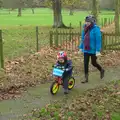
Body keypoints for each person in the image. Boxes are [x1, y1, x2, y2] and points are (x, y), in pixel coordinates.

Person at [79, 15, 105, 83]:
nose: (87, 23)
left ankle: (101, 69)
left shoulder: (96, 29)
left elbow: (98, 40)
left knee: (93, 63)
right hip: (86, 49)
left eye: (89, 22)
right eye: (86, 21)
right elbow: (83, 39)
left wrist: (97, 51)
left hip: (93, 50)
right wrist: (81, 48)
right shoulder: (84, 28)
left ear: (92, 22)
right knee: (85, 64)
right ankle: (86, 78)